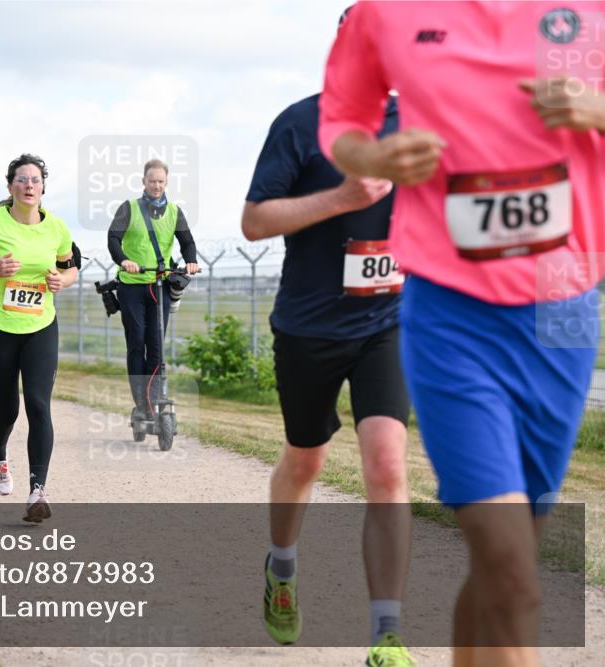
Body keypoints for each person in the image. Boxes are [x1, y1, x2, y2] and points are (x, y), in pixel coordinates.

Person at [319, 3, 604, 665]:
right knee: (513, 572)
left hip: (563, 309)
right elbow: (342, 121)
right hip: (453, 311)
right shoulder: (385, 14)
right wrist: (375, 153)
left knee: (506, 561)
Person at [241, 60, 413, 662]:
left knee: (388, 465)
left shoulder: (424, 119)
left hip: (387, 322)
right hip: (309, 329)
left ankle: (386, 634)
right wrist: (340, 197)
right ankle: (281, 570)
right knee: (306, 459)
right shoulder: (301, 122)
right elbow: (256, 220)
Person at [0, 153, 77, 523]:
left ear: (42, 188)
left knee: (38, 404)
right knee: (8, 408)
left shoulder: (56, 228)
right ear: (10, 187)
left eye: (35, 180)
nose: (29, 185)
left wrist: (61, 281)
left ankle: (38, 490)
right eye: (21, 179)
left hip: (40, 326)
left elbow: (70, 270)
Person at [107, 158, 199, 422]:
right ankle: (141, 404)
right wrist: (124, 260)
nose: (156, 185)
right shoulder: (129, 208)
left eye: (161, 181)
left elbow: (187, 241)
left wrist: (190, 260)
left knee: (156, 345)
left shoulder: (174, 212)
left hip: (159, 285)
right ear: (144, 182)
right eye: (152, 181)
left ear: (166, 181)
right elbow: (113, 238)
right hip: (132, 286)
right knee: (137, 343)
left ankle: (154, 399)